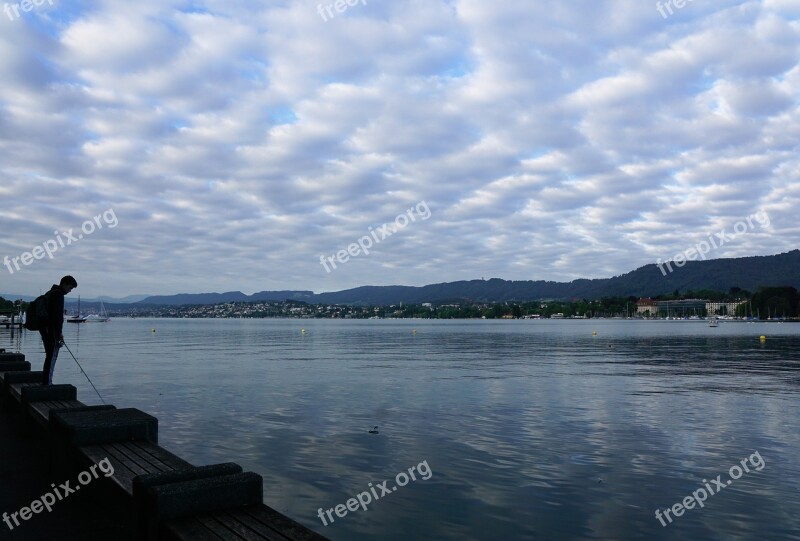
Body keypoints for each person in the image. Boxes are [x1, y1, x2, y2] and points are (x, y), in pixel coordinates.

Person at [40, 275, 77, 385]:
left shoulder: (51, 292)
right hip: (51, 330)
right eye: (70, 288)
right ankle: (47, 383)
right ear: (64, 284)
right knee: (52, 357)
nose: (69, 291)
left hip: (45, 328)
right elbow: (58, 317)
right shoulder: (58, 294)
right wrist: (59, 333)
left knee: (49, 356)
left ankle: (46, 382)